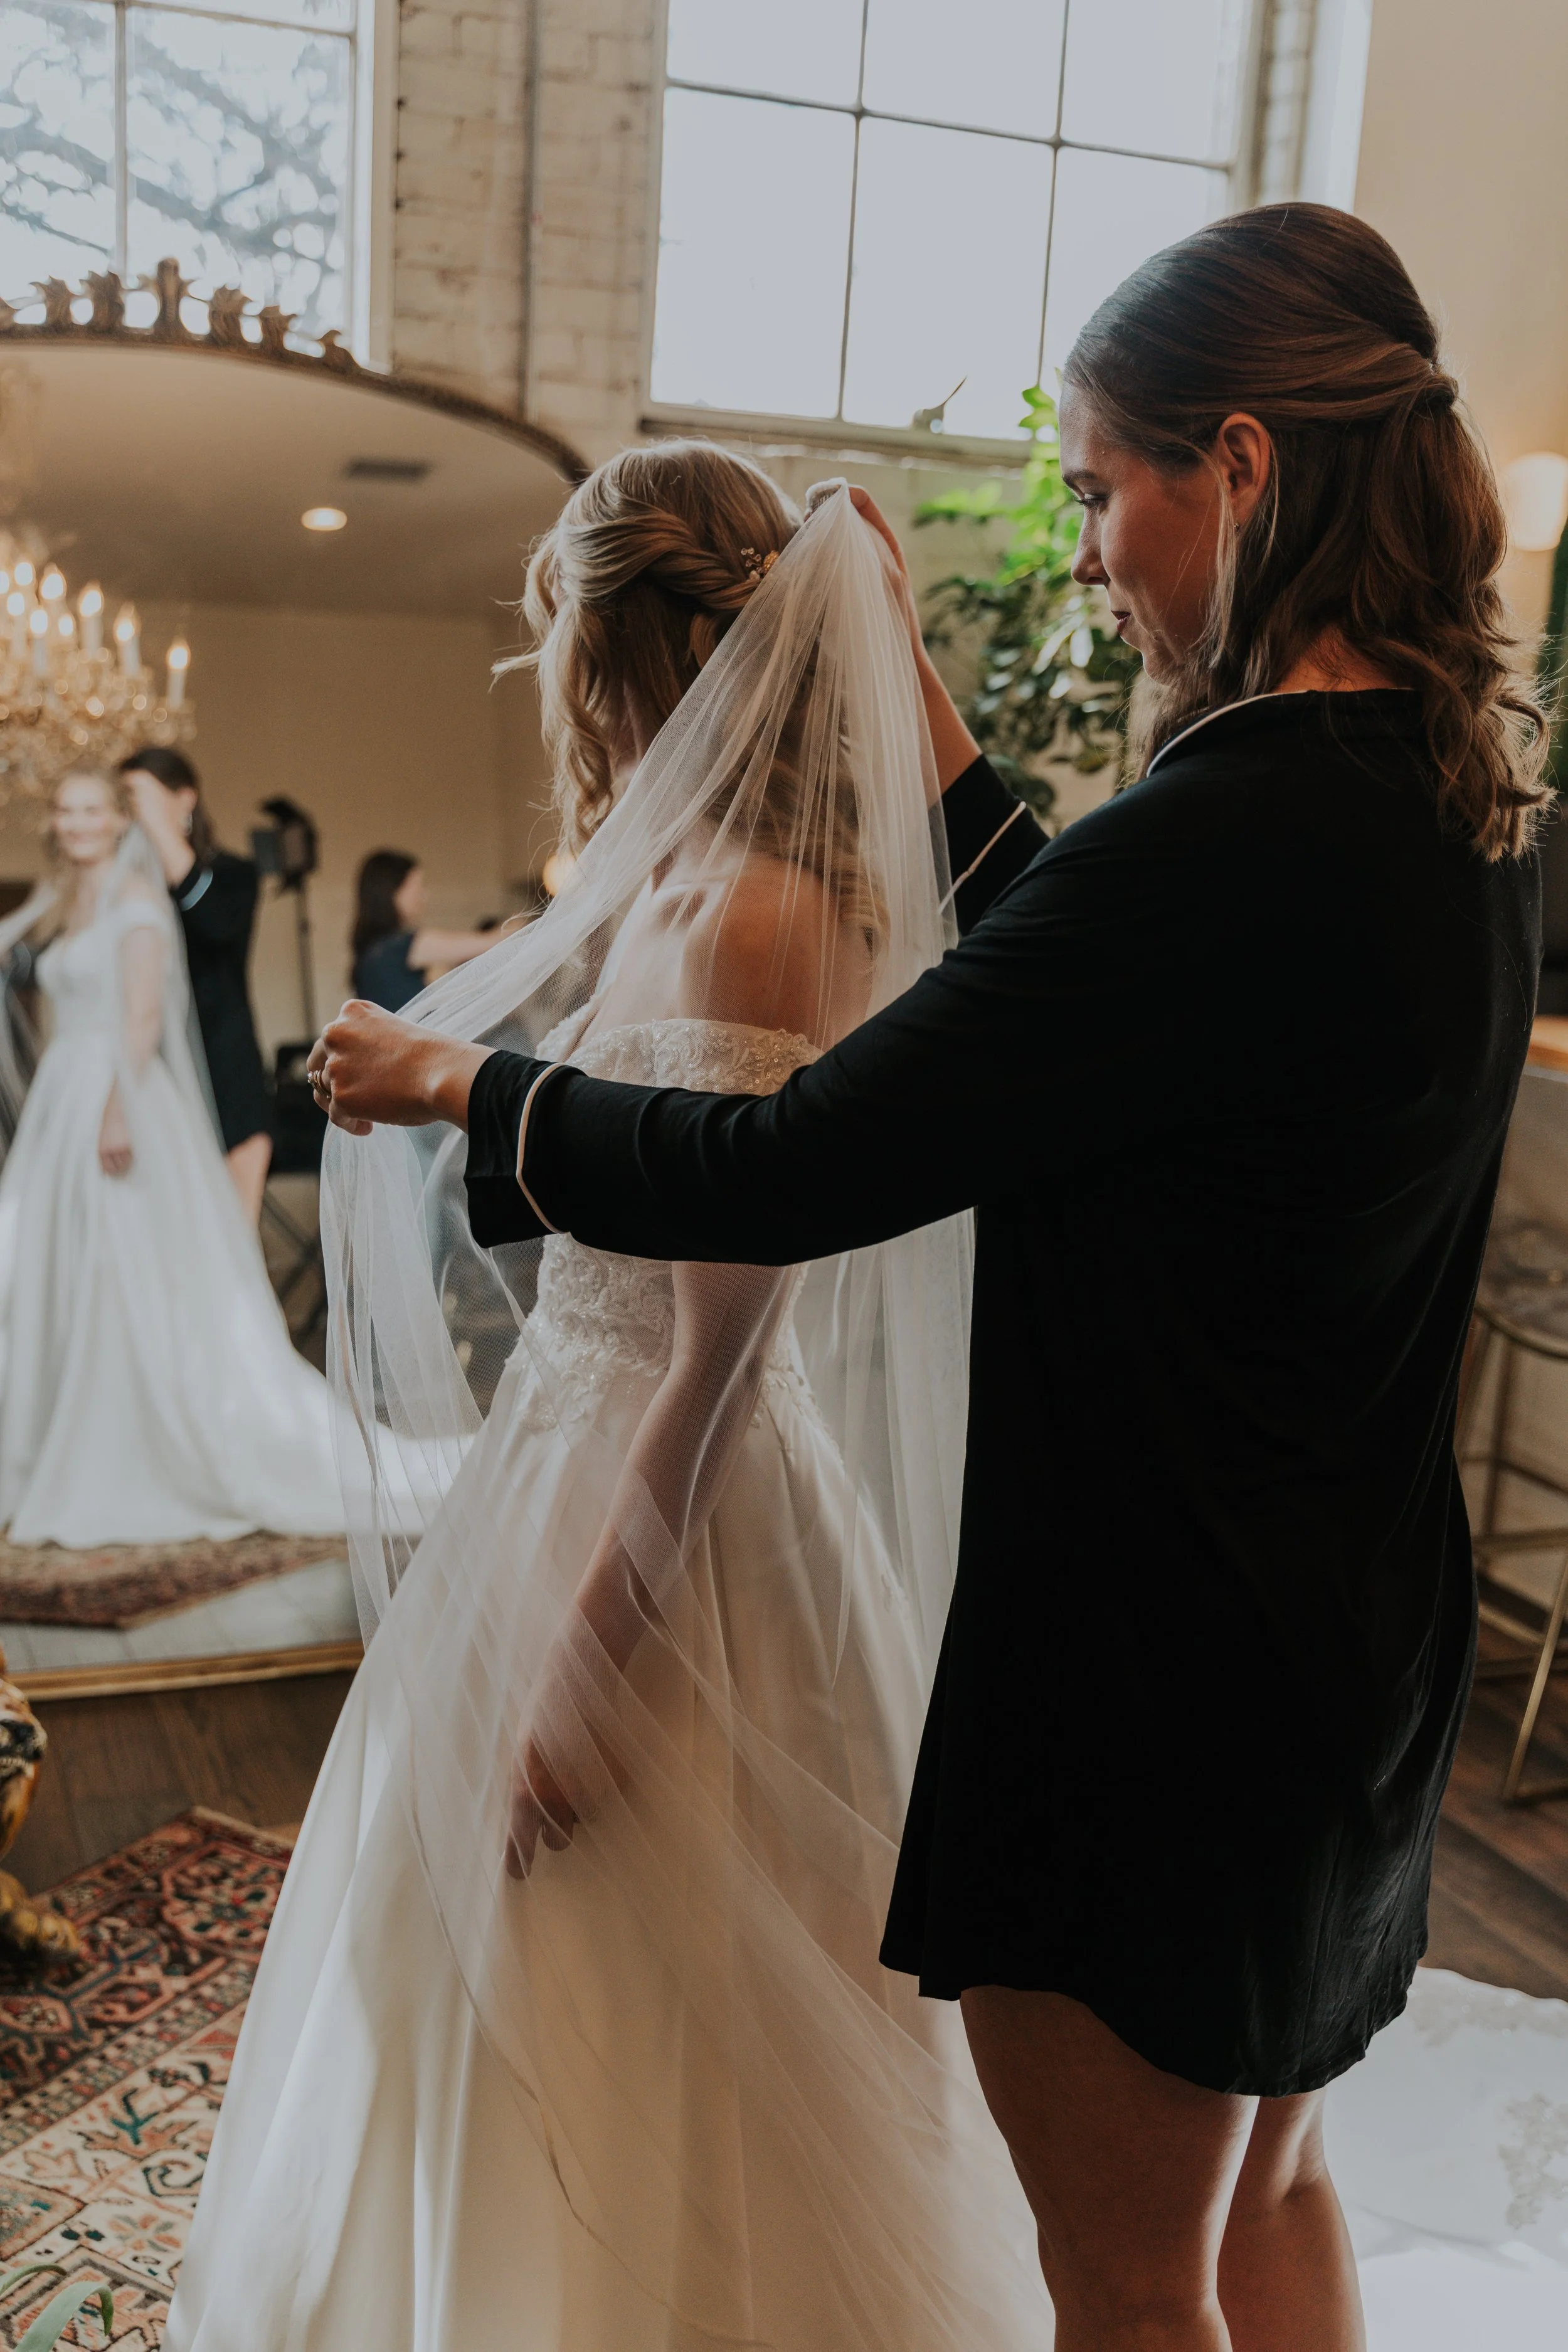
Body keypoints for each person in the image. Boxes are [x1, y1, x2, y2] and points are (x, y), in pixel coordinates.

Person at [310, 206, 1549, 2351]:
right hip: (1351, 1651)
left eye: (1097, 489)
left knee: (1126, 2285)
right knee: (1279, 2185)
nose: (1083, 549)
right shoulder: (1440, 806)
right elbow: (1114, 970)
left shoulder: (1218, 842)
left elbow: (794, 1164)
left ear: (1240, 470)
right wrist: (957, 752)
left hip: (1159, 1683)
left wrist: (469, 1086)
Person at [166, 451, 1051, 2351]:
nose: (547, 672)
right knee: (457, 1977)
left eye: (554, 631)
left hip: (677, 1520)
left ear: (618, 648)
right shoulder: (657, 877)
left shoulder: (764, 916)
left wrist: (592, 1646)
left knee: (668, 2017)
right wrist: (442, 1062)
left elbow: (727, 1338)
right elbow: (600, 1148)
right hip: (552, 1448)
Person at [0, 770, 344, 1547]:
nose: (78, 822)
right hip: (65, 1096)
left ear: (117, 821)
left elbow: (146, 1015)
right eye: (65, 810)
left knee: (119, 1267)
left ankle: (127, 1443)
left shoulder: (136, 900)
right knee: (53, 1262)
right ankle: (47, 1439)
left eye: (93, 809)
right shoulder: (67, 901)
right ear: (53, 824)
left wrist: (118, 1108)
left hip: (116, 1093)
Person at [120, 746, 273, 1225]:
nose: (131, 809)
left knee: (229, 1232)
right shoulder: (127, 889)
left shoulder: (233, 875)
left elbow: (216, 926)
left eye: (139, 796)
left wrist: (162, 831)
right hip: (150, 1071)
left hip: (227, 1070)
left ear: (185, 799)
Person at [350, 848, 496, 1011]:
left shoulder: (373, 951)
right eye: (418, 888)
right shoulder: (399, 947)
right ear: (393, 892)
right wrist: (524, 926)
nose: (424, 896)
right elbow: (489, 943)